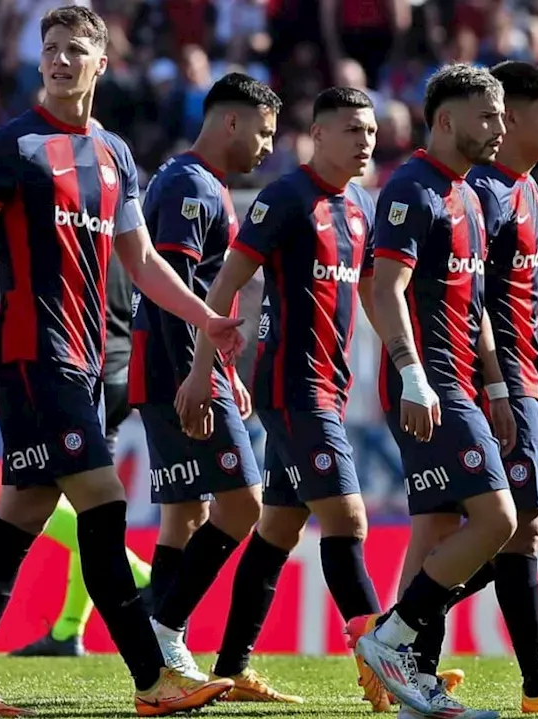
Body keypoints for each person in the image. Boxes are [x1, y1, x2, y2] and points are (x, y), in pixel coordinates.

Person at [0, 7, 237, 715]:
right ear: (40, 62)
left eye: (76, 50)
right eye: (52, 49)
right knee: (104, 503)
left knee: (21, 516)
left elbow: (144, 260)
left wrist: (205, 314)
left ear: (101, 63)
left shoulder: (115, 154)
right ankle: (155, 677)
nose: (61, 60)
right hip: (36, 358)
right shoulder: (10, 147)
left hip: (86, 364)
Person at [179, 85, 443, 709]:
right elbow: (224, 288)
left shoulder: (358, 206)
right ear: (318, 135)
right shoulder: (286, 198)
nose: (365, 143)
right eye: (352, 131)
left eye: (372, 133)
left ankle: (233, 667)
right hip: (292, 390)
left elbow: (379, 299)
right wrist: (200, 370)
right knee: (348, 519)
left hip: (330, 387)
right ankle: (385, 662)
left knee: (278, 528)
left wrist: (411, 369)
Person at [377, 60, 538, 716]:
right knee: (494, 526)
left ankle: (417, 661)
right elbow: (462, 298)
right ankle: (403, 649)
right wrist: (492, 382)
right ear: (506, 118)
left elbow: (531, 303)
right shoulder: (471, 190)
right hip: (481, 379)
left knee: (502, 529)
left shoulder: (528, 193)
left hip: (514, 377)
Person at [349, 63, 517, 718]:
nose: (499, 127)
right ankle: (391, 636)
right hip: (429, 382)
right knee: (499, 519)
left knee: (440, 528)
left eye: (502, 115)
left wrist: (497, 380)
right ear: (445, 119)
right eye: (487, 115)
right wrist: (412, 371)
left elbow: (472, 304)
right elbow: (381, 287)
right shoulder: (410, 188)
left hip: (462, 381)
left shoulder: (470, 197)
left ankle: (415, 673)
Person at [129, 72, 277, 690]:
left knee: (184, 514)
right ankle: (162, 630)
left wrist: (219, 371)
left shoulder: (196, 181)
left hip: (171, 369)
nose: (267, 147)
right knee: (244, 507)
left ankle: (164, 659)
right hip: (175, 371)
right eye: (264, 132)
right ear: (231, 122)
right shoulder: (191, 185)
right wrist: (197, 378)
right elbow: (175, 291)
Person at [11, 257, 154, 658]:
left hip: (87, 378)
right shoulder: (127, 239)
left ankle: (142, 575)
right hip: (120, 374)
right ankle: (68, 631)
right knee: (87, 503)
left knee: (31, 500)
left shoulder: (80, 239)